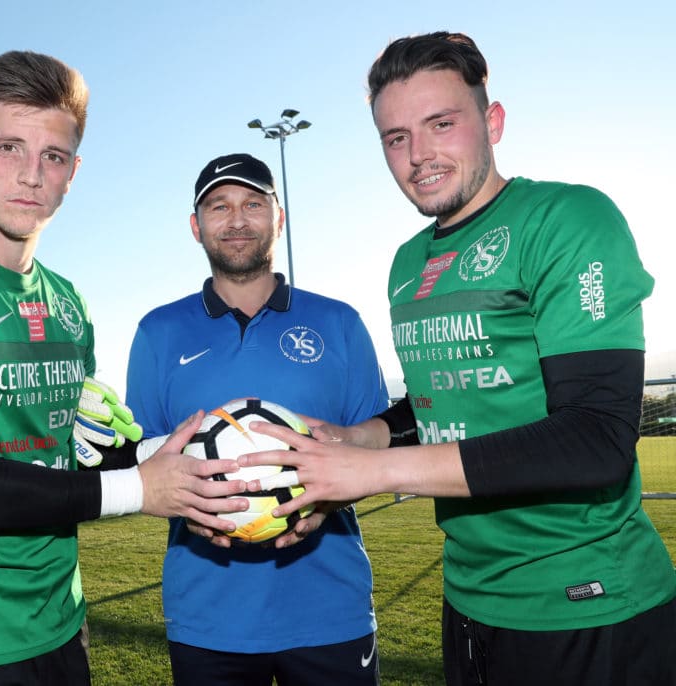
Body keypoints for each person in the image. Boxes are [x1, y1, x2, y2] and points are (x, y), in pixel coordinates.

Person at [239, 32, 676, 686]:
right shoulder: (406, 264)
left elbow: (596, 438)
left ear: (492, 121)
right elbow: (444, 396)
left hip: (588, 604)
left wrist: (372, 471)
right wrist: (363, 435)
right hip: (469, 601)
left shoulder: (568, 219)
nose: (419, 156)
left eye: (441, 124)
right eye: (396, 137)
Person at [0, 50, 248, 685]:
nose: (32, 175)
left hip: (61, 629)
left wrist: (131, 453)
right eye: (9, 147)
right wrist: (139, 489)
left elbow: (60, 467)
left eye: (54, 157)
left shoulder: (67, 302)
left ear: (73, 173)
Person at [125, 153, 390, 685]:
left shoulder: (339, 323)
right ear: (196, 226)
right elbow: (143, 461)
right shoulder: (159, 332)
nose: (238, 219)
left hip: (329, 611)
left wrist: (334, 490)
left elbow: (379, 445)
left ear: (279, 218)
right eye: (219, 206)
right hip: (206, 618)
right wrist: (185, 502)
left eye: (253, 203)